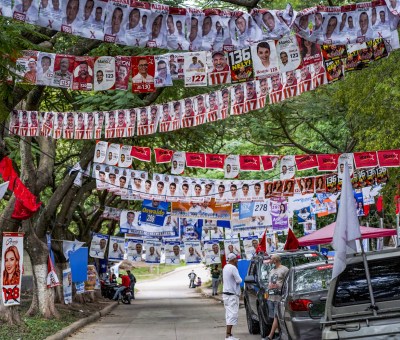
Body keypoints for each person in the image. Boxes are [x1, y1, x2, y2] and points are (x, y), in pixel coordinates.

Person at [266, 255, 289, 340]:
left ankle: (270, 336)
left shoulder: (284, 269)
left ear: (275, 260)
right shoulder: (272, 270)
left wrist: (278, 286)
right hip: (272, 297)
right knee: (276, 317)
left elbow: (288, 282)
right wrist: (269, 286)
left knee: (277, 316)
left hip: (280, 297)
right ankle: (280, 335)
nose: (270, 260)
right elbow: (269, 282)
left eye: (271, 259)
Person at [222, 253, 242, 340]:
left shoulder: (225, 267)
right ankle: (228, 335)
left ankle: (229, 334)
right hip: (231, 295)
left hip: (226, 294)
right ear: (233, 260)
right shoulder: (233, 268)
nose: (237, 261)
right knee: (233, 315)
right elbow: (239, 280)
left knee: (228, 314)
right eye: (236, 259)